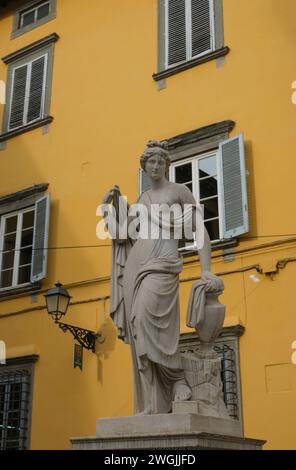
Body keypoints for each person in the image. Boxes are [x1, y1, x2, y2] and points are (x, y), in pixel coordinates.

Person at [102, 140, 218, 414]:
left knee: (149, 322)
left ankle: (177, 379)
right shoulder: (142, 200)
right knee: (139, 330)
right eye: (150, 162)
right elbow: (122, 235)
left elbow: (199, 231)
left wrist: (206, 269)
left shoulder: (179, 191)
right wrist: (110, 206)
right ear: (143, 166)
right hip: (136, 267)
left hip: (163, 266)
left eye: (159, 162)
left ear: (167, 164)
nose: (155, 166)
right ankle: (153, 401)